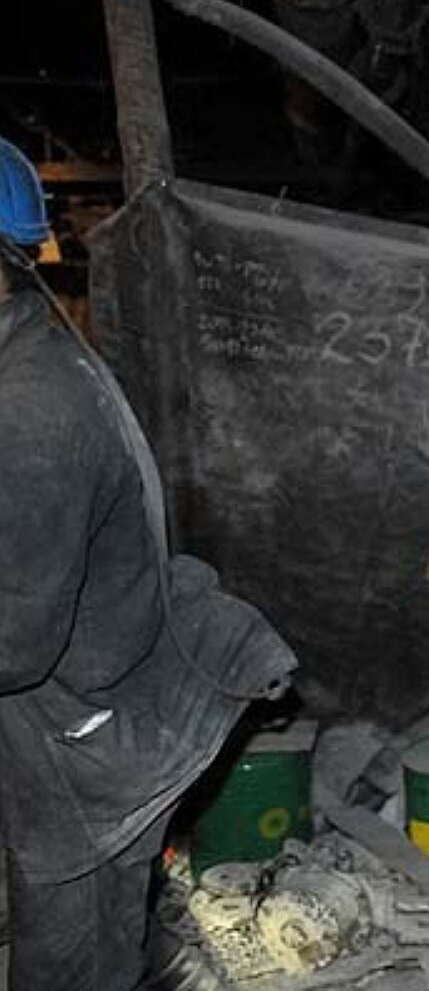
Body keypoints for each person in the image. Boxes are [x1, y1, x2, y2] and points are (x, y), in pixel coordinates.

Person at [0, 136, 297, 990]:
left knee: (69, 962)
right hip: (102, 707)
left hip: (87, 743)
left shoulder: (32, 413)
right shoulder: (34, 358)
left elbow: (15, 643)